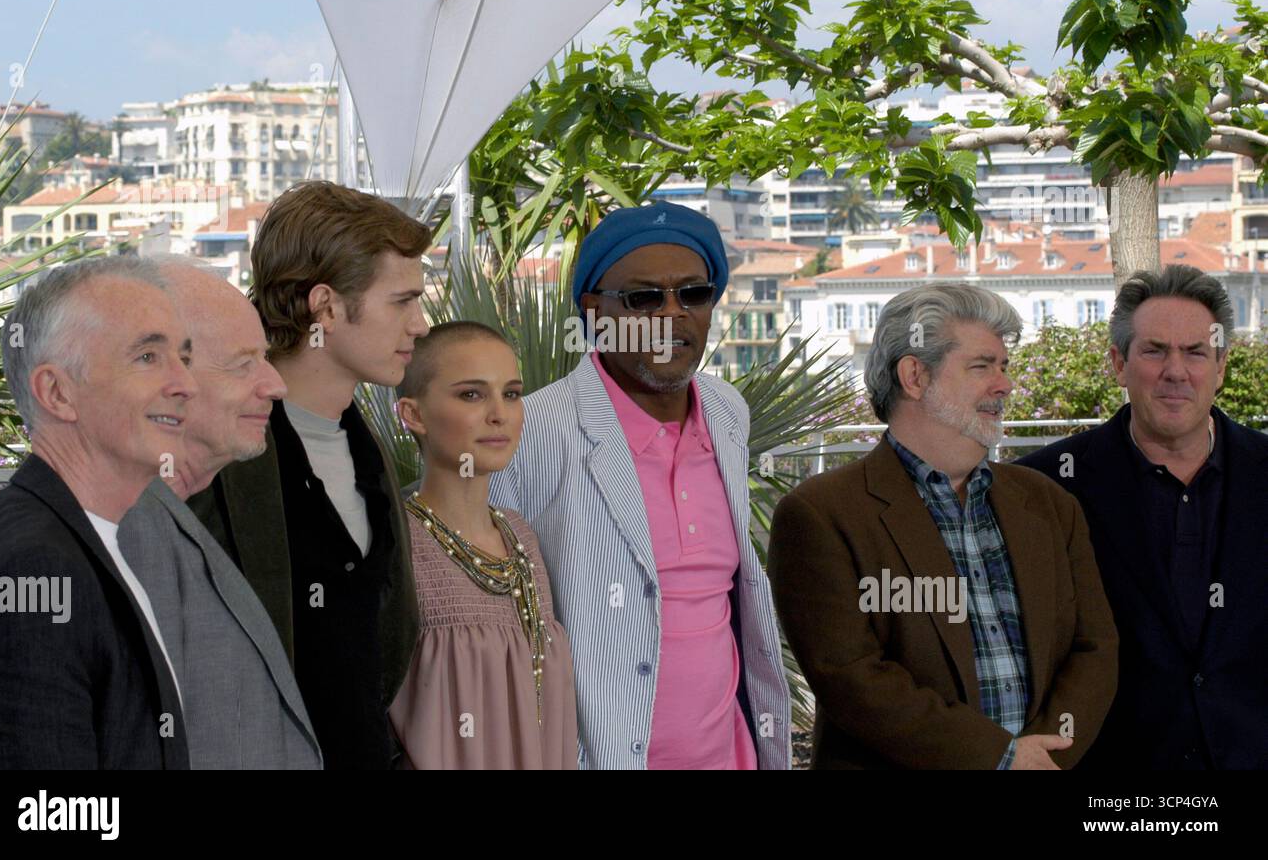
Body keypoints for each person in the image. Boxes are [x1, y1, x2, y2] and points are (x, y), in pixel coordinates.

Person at [489, 201, 791, 770]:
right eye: (644, 298)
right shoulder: (532, 432)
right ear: (594, 309)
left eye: (694, 294)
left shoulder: (727, 413)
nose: (672, 315)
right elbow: (501, 626)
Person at [769, 282, 1118, 769]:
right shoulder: (821, 514)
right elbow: (853, 679)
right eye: (981, 366)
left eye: (1004, 367)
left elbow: (1094, 647)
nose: (1004, 385)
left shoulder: (1049, 503)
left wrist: (1047, 756)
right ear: (914, 376)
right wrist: (1000, 759)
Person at [188, 181, 431, 769]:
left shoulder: (367, 448)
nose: (421, 324)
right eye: (402, 301)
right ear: (325, 305)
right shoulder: (213, 457)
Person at [1018, 265, 1268, 769]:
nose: (1175, 371)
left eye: (1196, 352)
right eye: (1155, 350)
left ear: (1220, 367)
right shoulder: (1043, 487)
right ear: (1118, 362)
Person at [0, 257, 193, 768]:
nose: (186, 384)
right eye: (148, 356)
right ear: (57, 392)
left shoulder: (90, 539)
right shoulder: (30, 561)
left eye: (183, 356)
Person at [116, 258, 321, 769]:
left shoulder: (169, 523)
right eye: (242, 364)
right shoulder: (128, 536)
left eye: (265, 359)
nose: (276, 385)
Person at [389, 321, 577, 769]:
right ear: (412, 415)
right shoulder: (398, 545)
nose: (499, 414)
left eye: (511, 393)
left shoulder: (522, 537)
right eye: (471, 394)